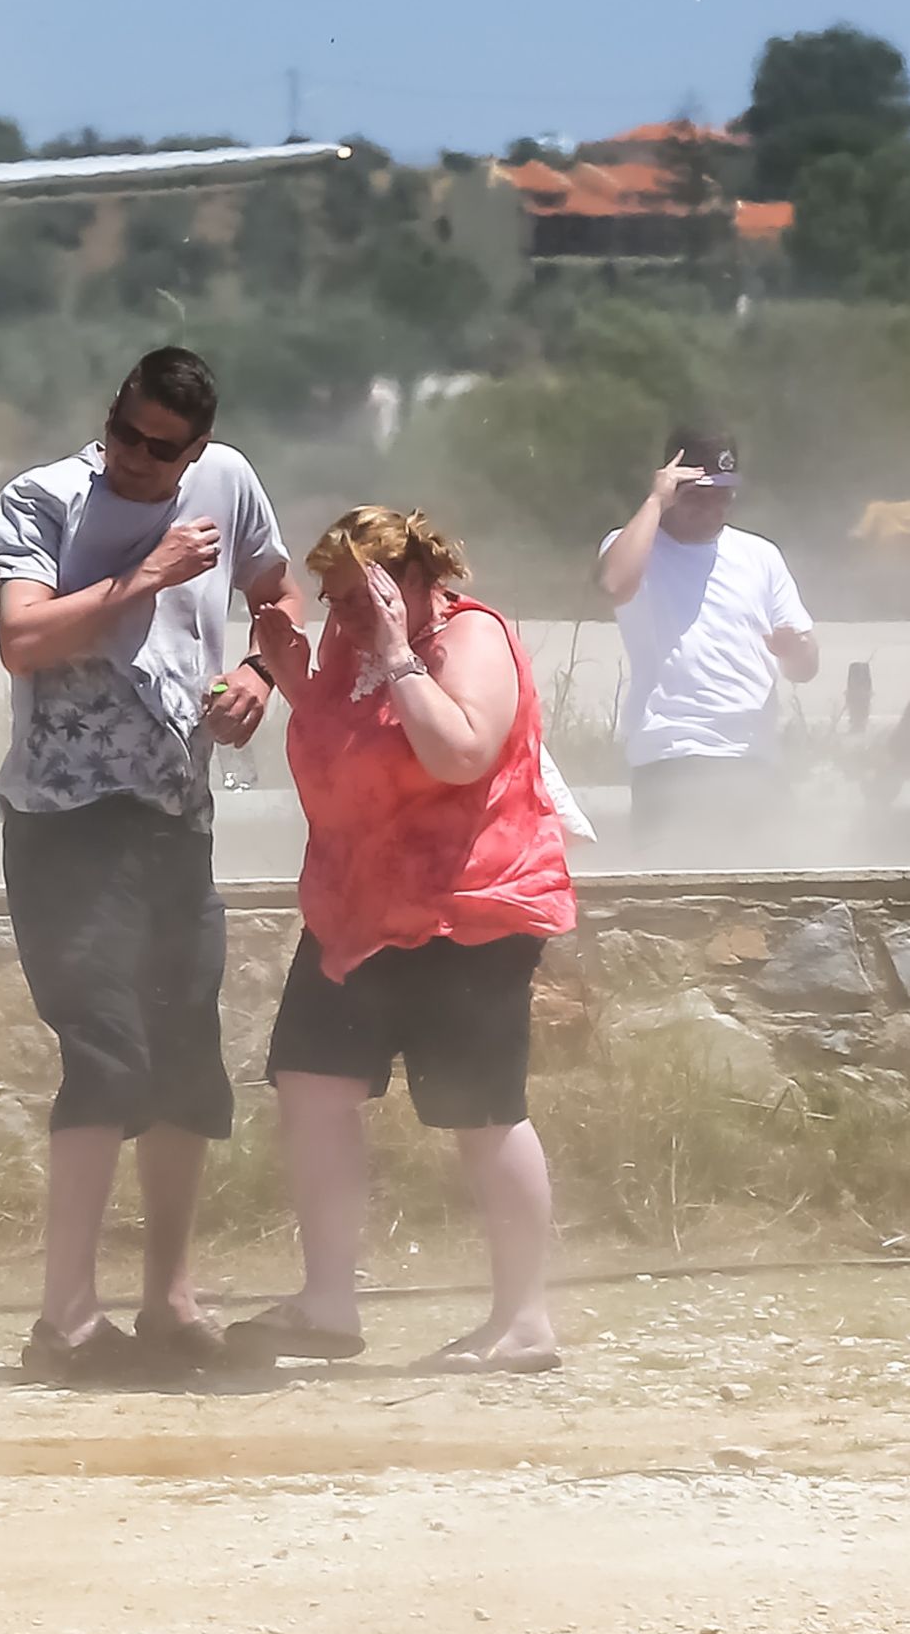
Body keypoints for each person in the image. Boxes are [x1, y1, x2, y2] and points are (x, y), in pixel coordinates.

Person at [0, 346, 284, 1387]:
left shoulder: (230, 485)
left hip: (174, 814)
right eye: (127, 433)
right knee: (105, 1056)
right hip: (65, 820)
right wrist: (144, 576)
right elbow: (21, 638)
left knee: (185, 1064)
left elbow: (279, 602)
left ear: (197, 450)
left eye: (163, 452)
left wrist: (258, 671)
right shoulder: (44, 500)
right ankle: (64, 1319)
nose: (138, 460)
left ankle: (171, 1300)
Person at [230, 505, 575, 1375]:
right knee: (312, 1083)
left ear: (415, 580)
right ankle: (327, 1304)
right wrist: (296, 679)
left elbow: (458, 752)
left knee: (481, 1110)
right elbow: (362, 757)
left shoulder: (472, 638)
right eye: (333, 599)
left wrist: (393, 654)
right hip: (357, 909)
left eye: (358, 597)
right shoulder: (354, 647)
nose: (341, 615)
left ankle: (523, 1319)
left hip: (468, 908)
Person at [596, 428, 819, 850]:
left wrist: (798, 650)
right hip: (672, 754)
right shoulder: (635, 545)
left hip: (755, 758)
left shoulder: (761, 556)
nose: (714, 505)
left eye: (724, 493)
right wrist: (655, 501)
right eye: (700, 493)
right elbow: (614, 584)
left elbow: (806, 668)